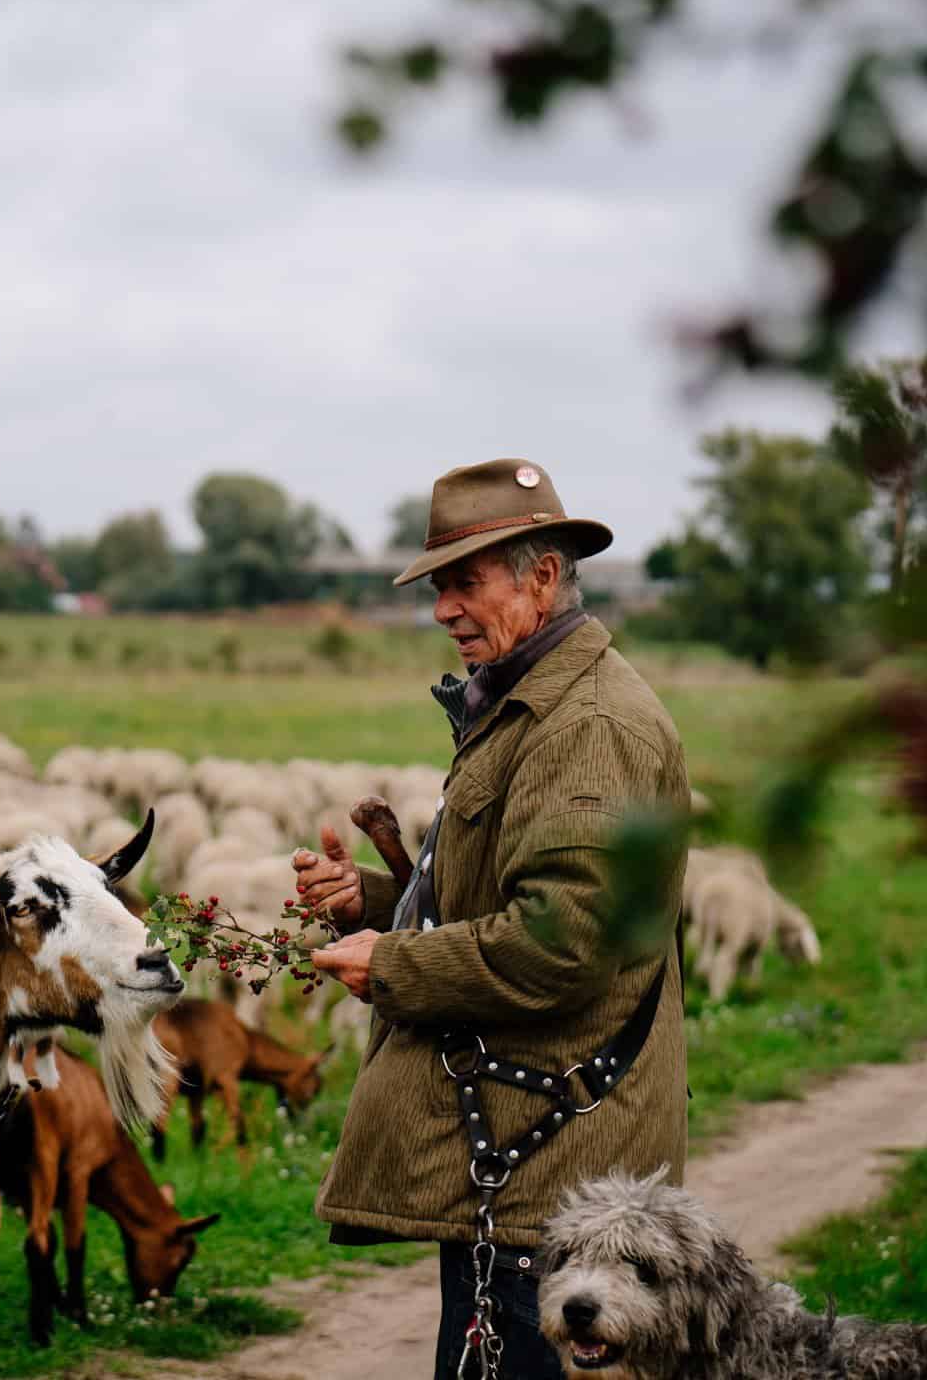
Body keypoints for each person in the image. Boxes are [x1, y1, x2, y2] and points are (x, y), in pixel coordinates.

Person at [296, 458, 690, 1380]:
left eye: (466, 582)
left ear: (542, 578)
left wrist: (393, 966)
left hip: (550, 1175)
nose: (443, 610)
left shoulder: (588, 725)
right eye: (440, 586)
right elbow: (515, 901)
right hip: (521, 1162)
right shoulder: (529, 706)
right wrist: (379, 903)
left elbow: (562, 943)